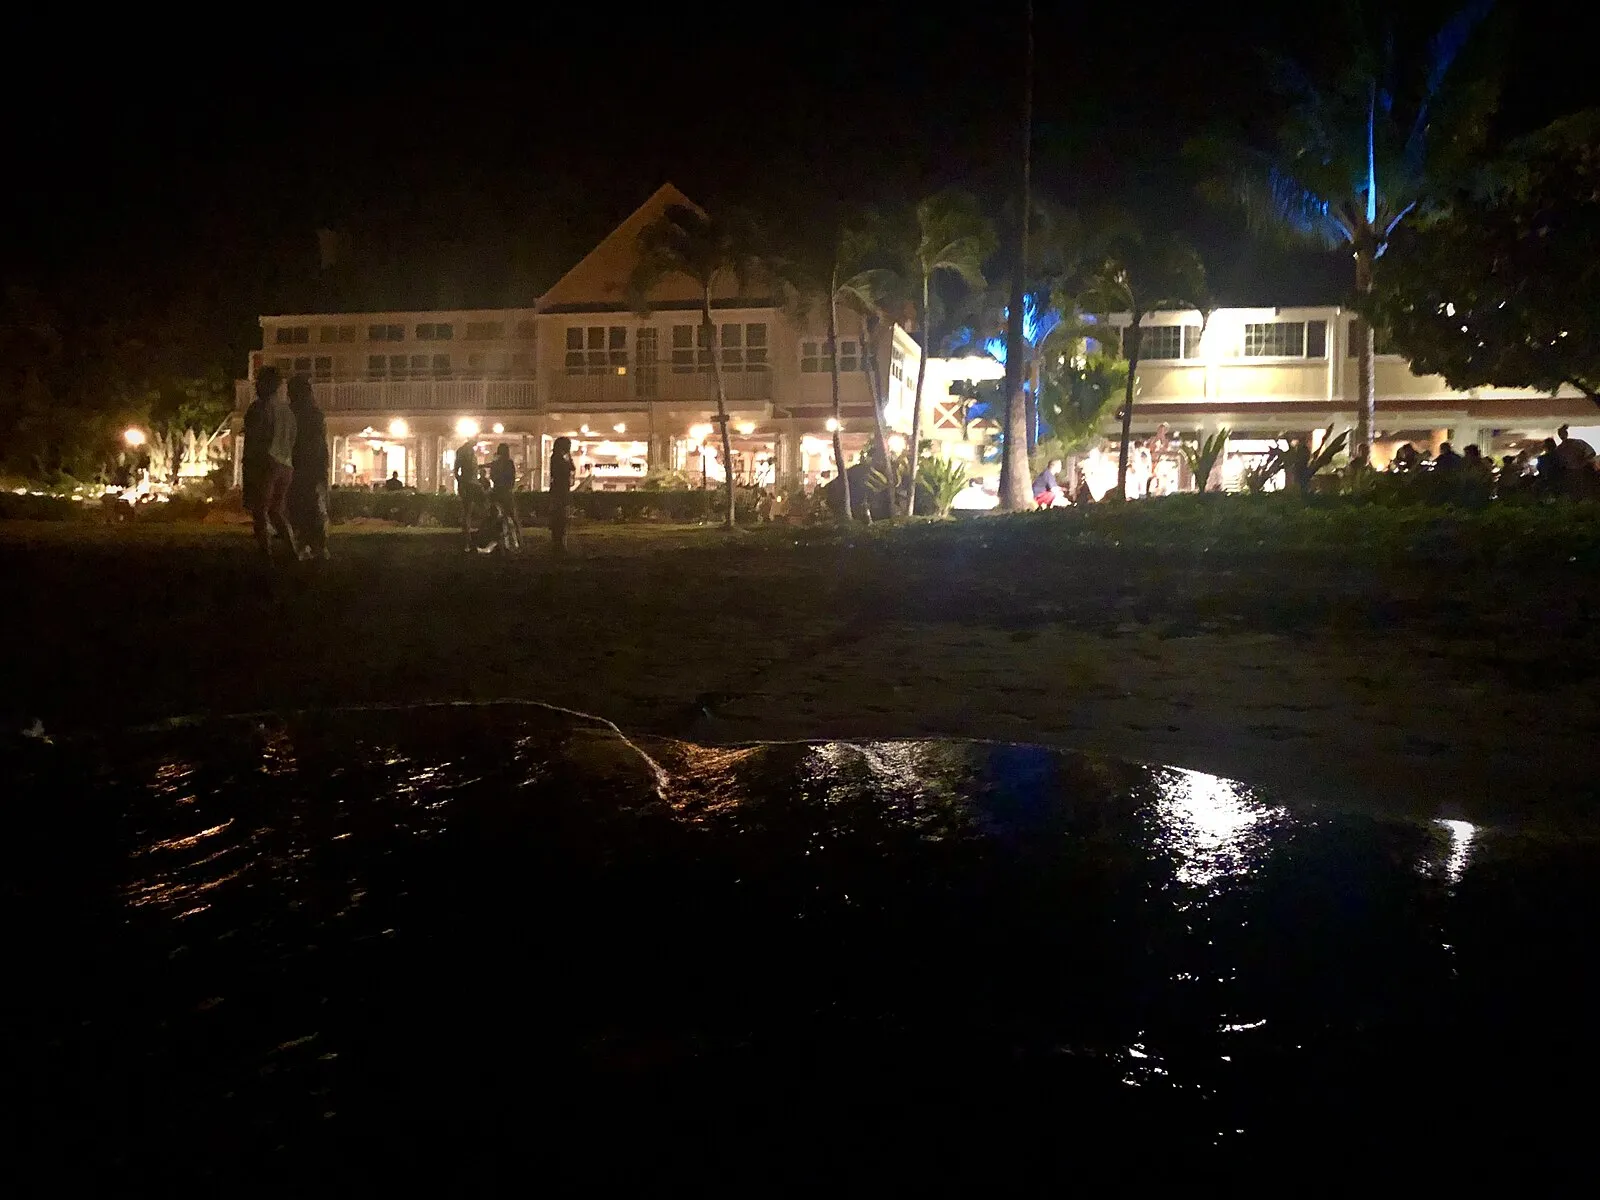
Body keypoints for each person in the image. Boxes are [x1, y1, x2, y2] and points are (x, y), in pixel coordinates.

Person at [246, 367, 298, 561]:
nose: (256, 386)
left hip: (266, 462)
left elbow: (254, 438)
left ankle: (265, 554)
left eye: (259, 382)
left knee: (260, 510)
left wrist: (250, 464)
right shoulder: (288, 411)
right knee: (276, 511)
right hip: (286, 465)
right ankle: (292, 550)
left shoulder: (260, 408)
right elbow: (292, 439)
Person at [286, 375, 329, 561]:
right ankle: (313, 544)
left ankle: (308, 544)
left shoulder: (298, 414)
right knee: (309, 504)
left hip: (301, 464)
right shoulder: (313, 414)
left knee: (302, 504)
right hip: (308, 464)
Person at [487, 443, 520, 552]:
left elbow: (493, 477)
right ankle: (516, 541)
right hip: (507, 492)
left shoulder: (495, 464)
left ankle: (499, 542)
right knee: (512, 516)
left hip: (498, 492)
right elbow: (512, 477)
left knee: (498, 517)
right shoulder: (509, 463)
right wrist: (509, 486)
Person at [453, 437, 481, 551]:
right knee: (467, 510)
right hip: (468, 483)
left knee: (471, 509)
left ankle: (469, 536)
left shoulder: (470, 451)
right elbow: (456, 469)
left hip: (472, 483)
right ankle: (466, 537)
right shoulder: (463, 451)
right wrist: (461, 482)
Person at [549, 436, 575, 553]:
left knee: (561, 516)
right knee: (559, 516)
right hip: (560, 491)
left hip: (560, 490)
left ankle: (559, 542)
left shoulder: (558, 457)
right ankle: (558, 542)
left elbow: (571, 468)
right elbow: (568, 469)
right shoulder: (557, 458)